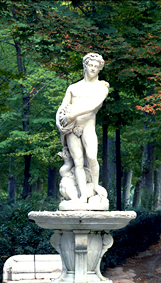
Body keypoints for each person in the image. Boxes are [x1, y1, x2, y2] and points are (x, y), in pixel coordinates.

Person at [56, 53, 109, 208]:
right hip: (71, 129)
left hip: (87, 127)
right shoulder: (73, 88)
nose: (92, 68)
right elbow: (61, 108)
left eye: (96, 66)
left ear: (99, 69)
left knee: (92, 157)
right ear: (85, 66)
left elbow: (93, 107)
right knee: (78, 161)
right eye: (90, 65)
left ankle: (94, 187)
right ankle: (83, 197)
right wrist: (60, 124)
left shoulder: (101, 87)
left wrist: (72, 115)